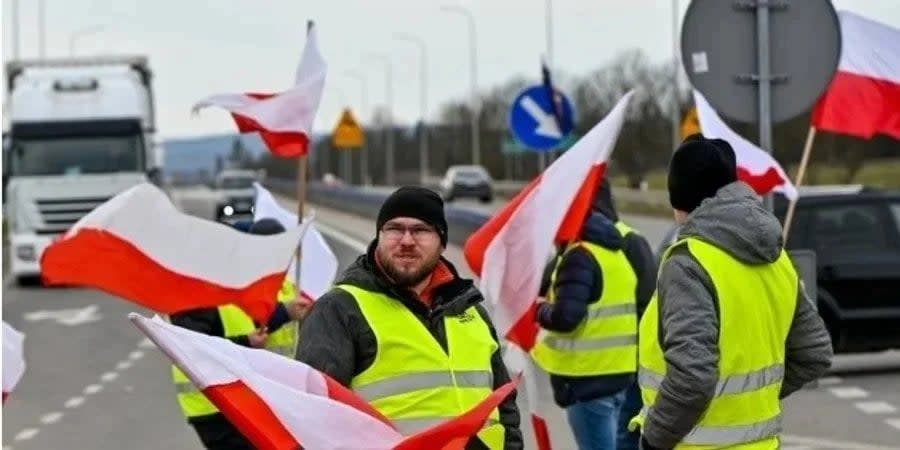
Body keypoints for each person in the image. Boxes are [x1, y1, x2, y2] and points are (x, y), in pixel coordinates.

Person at [632, 135, 833, 450]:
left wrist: (653, 439)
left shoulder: (688, 262)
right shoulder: (777, 257)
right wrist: (753, 401)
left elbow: (692, 379)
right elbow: (814, 353)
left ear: (679, 198)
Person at [296, 186, 523, 450]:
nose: (406, 240)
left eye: (420, 230)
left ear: (442, 241)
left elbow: (504, 405)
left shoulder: (470, 310)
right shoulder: (340, 309)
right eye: (394, 228)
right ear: (379, 236)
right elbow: (313, 419)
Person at [530, 178, 655, 450]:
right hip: (618, 370)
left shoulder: (589, 248)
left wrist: (537, 309)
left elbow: (566, 312)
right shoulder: (614, 242)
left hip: (606, 372)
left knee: (622, 441)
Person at [169, 218, 311, 450]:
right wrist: (250, 338)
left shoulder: (257, 282)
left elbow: (256, 322)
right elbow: (194, 345)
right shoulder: (198, 292)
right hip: (213, 404)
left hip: (248, 398)